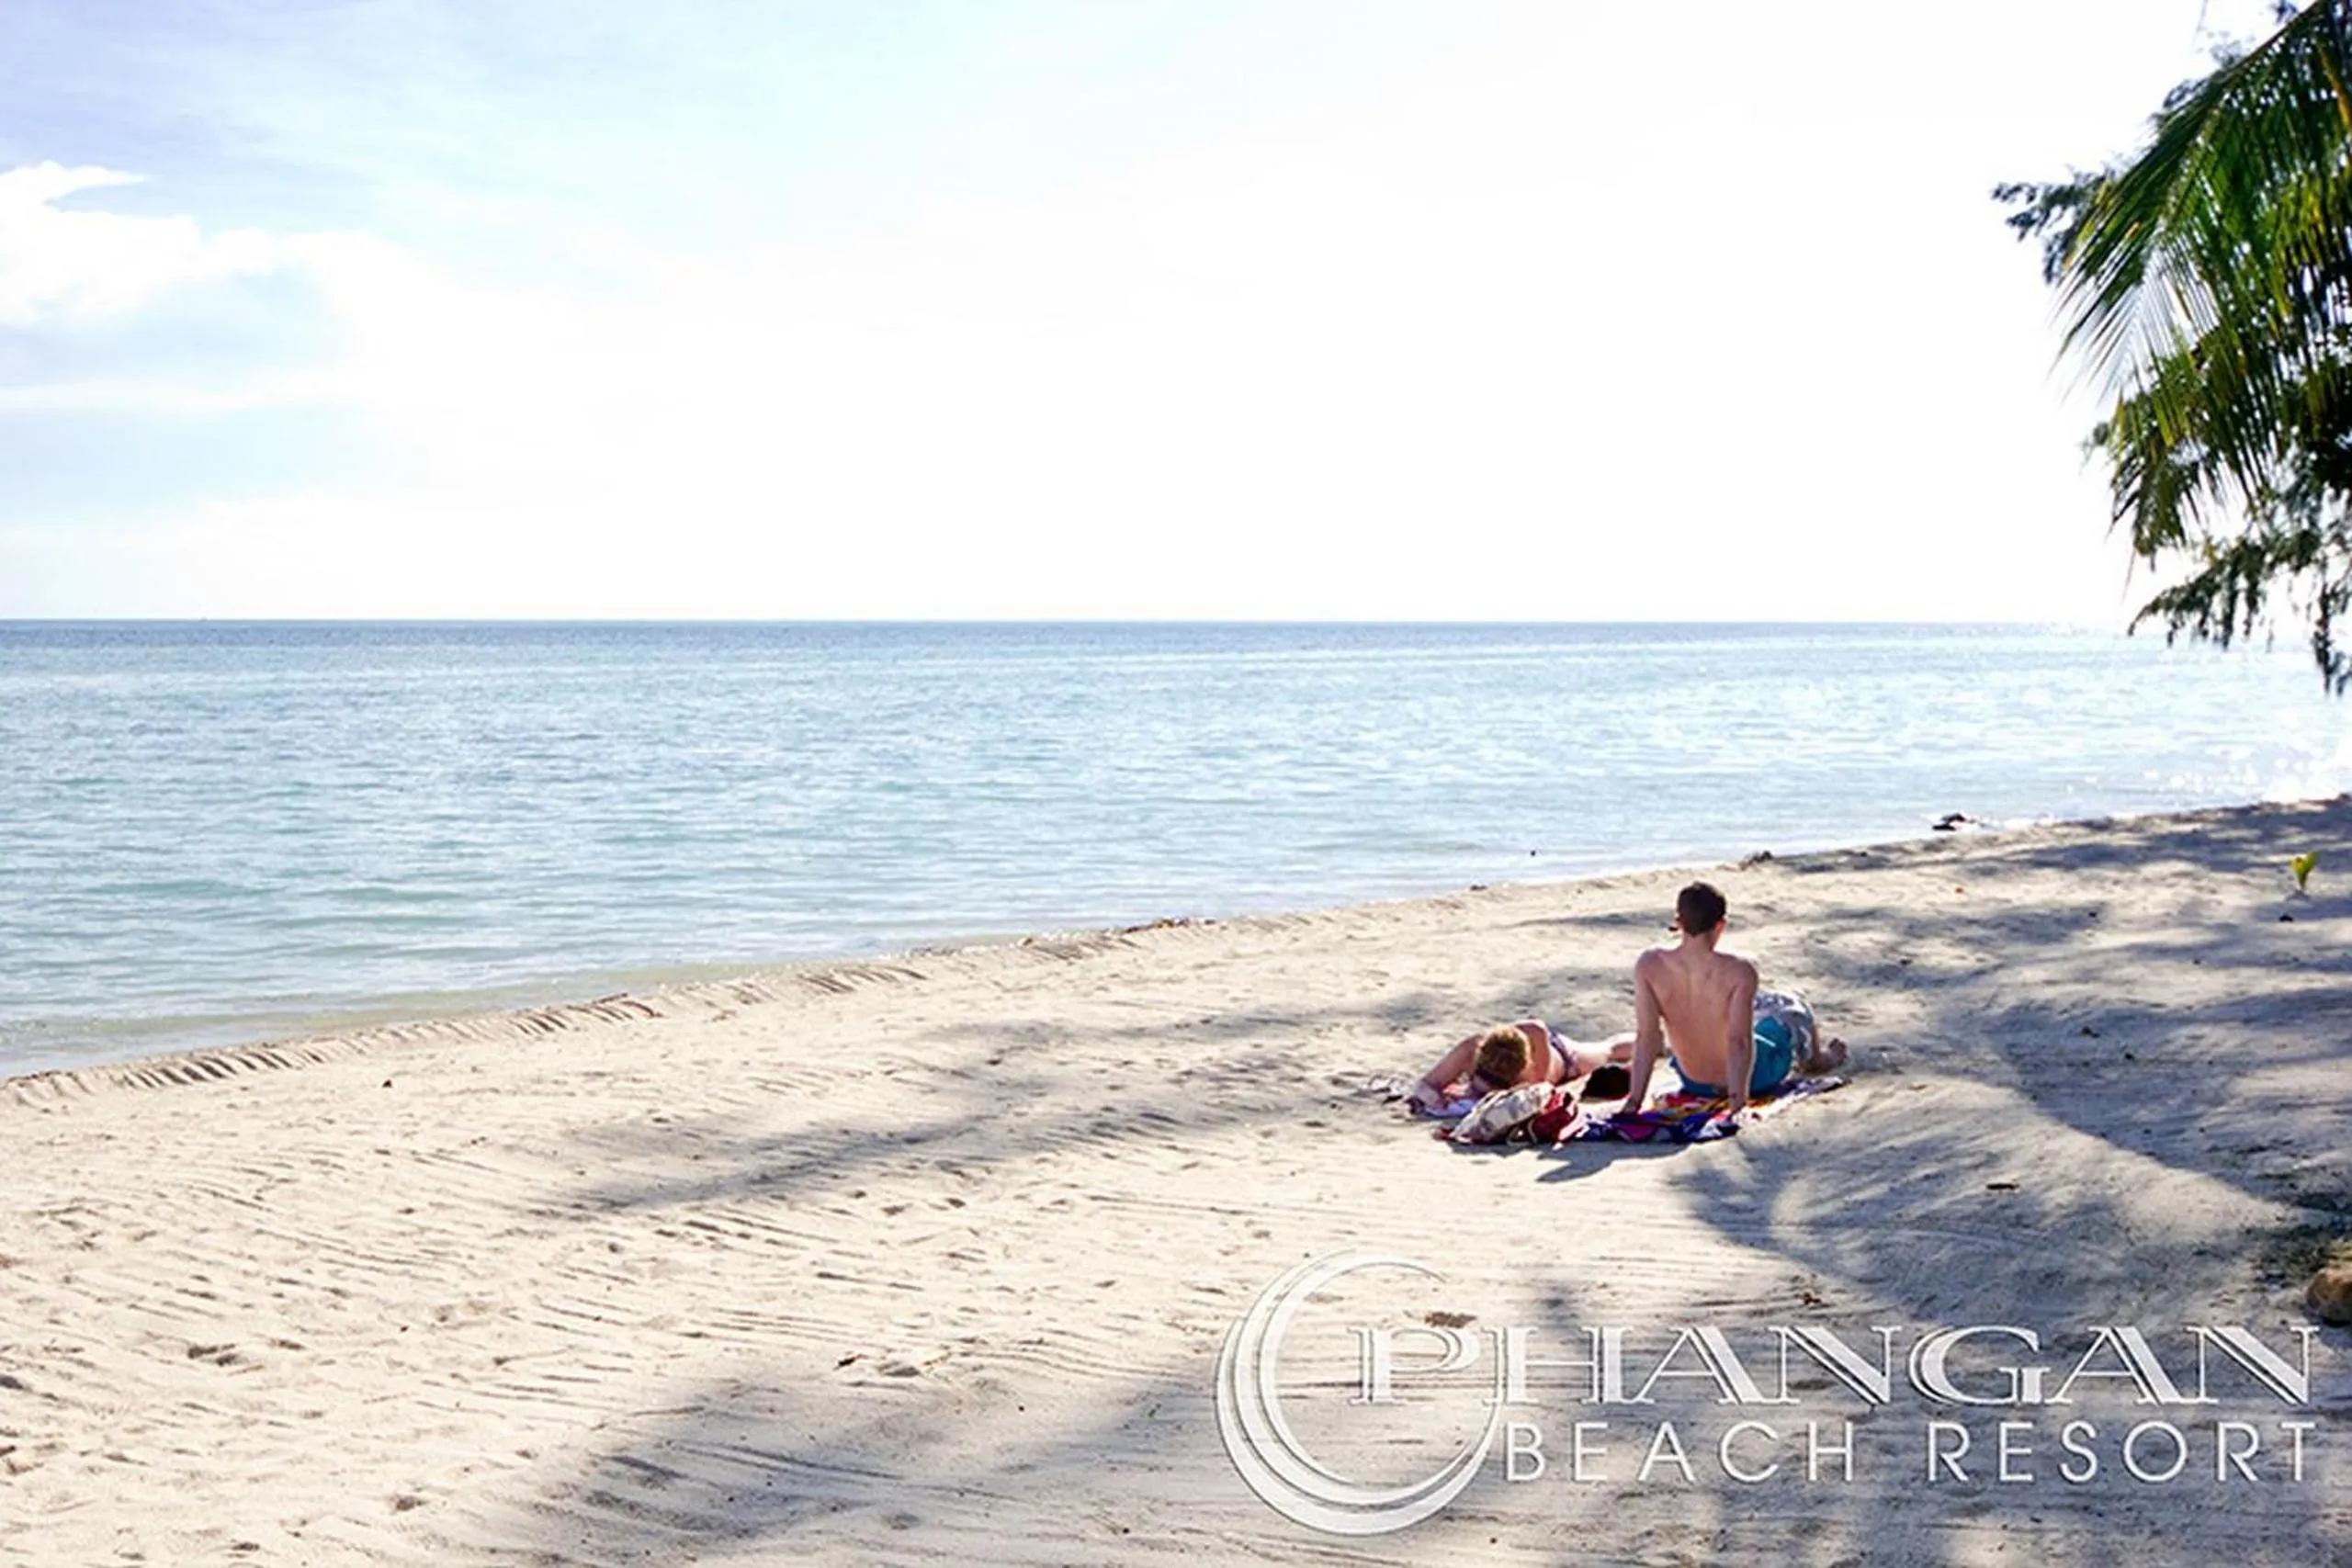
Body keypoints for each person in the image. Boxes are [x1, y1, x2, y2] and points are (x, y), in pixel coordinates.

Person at [1616, 880, 1847, 1122]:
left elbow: (1647, 1037)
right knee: (1792, 1006)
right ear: (1720, 926)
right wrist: (1738, 1104)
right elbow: (1739, 1041)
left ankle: (1811, 1056)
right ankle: (1818, 1060)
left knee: (1754, 1011)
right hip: (1757, 1077)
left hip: (1693, 1080)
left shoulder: (1649, 965)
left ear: (1678, 922)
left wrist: (1634, 1102)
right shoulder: (1740, 969)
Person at [1408, 1019, 1634, 1113]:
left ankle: (1654, 1041)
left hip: (1565, 1059)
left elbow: (1536, 1028)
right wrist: (1434, 1099)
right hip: (1526, 1047)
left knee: (1608, 1050)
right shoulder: (1471, 1048)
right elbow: (1426, 1083)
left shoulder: (1531, 1070)